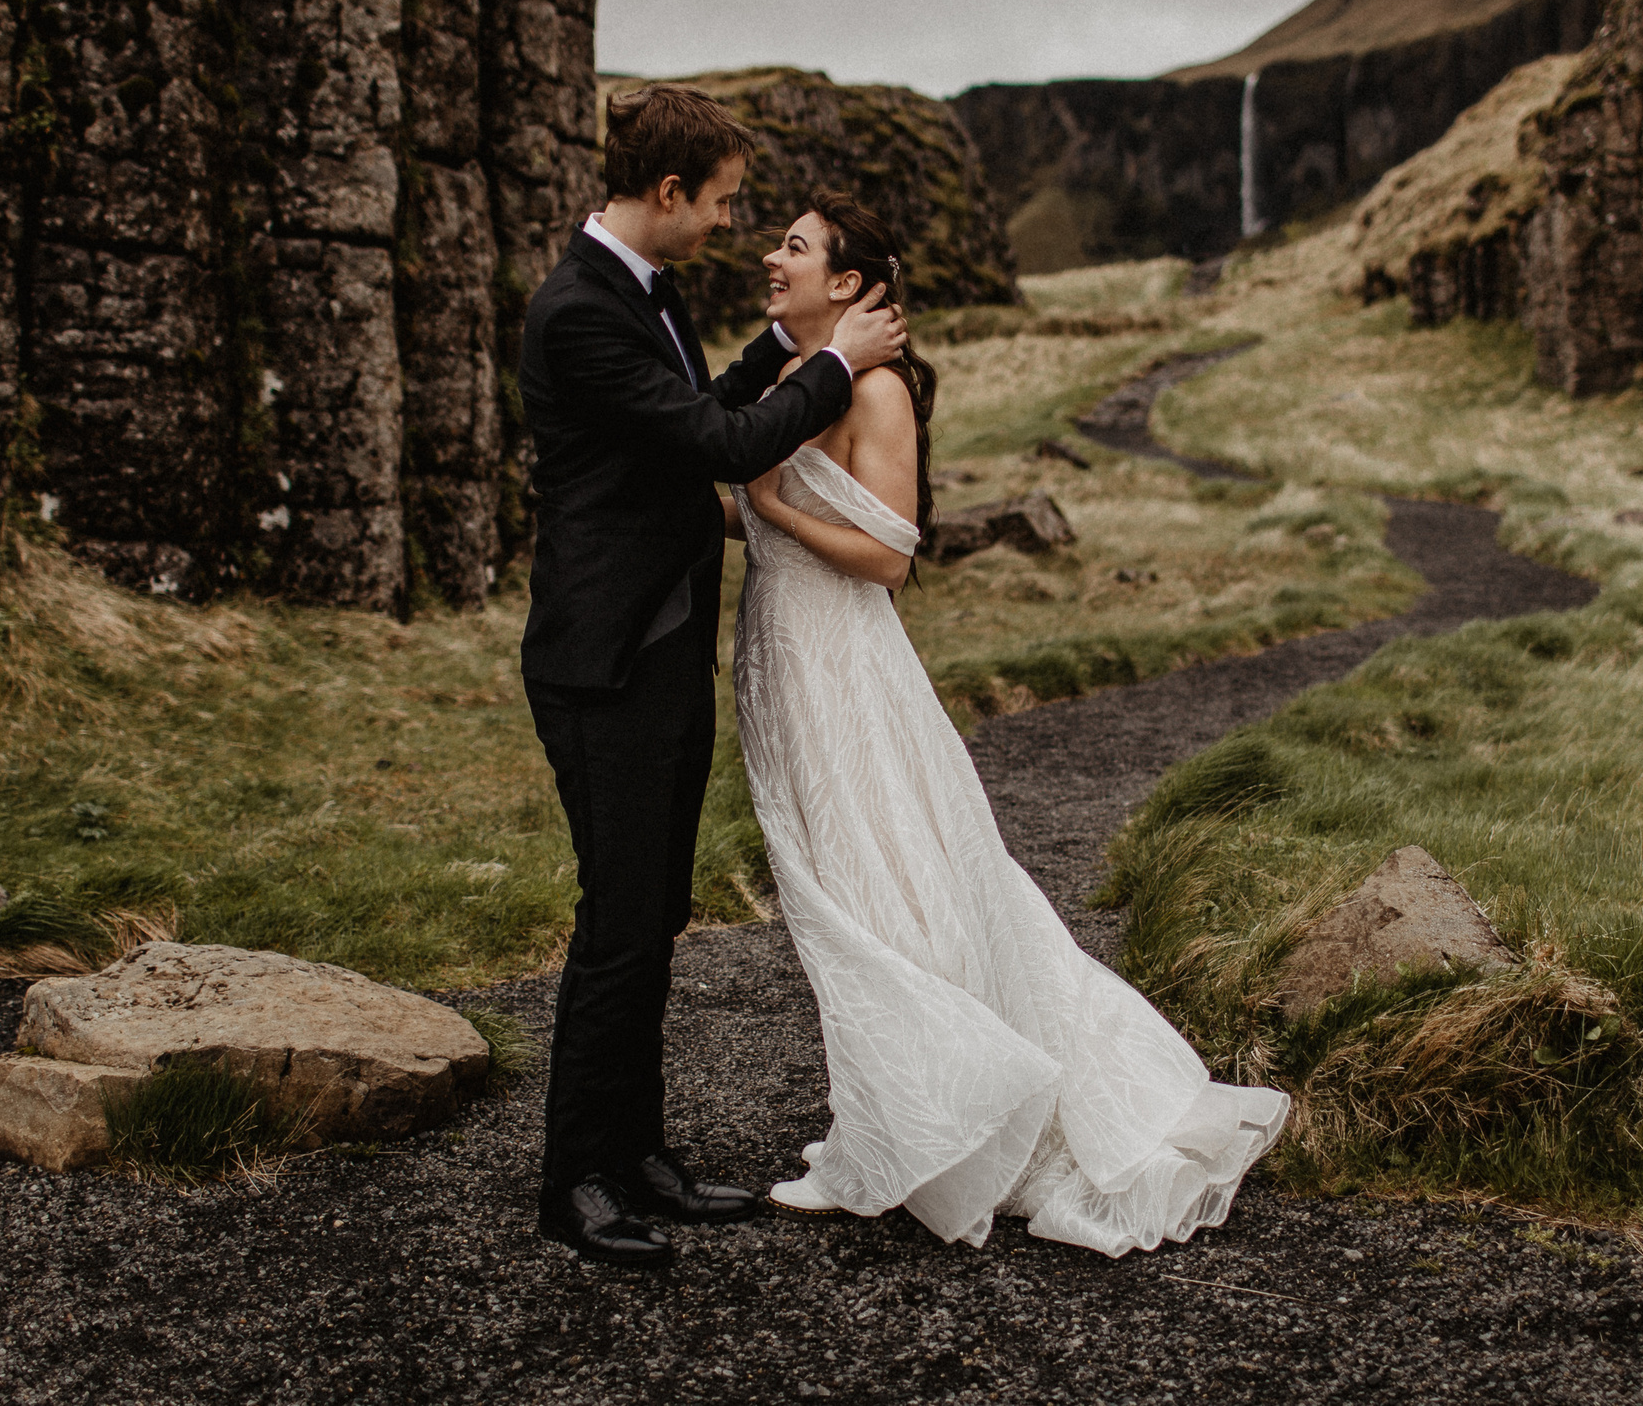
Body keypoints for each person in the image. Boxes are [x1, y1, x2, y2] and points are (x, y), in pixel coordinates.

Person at [726, 193, 1289, 1257]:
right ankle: (891, 1116)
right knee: (847, 881)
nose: (771, 257)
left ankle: (920, 1132)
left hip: (842, 662)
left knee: (873, 888)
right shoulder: (804, 376)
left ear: (847, 283)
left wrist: (766, 508)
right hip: (790, 657)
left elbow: (891, 555)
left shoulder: (875, 389)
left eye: (793, 248)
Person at [518, 87, 906, 1269]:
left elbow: (702, 406)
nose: (733, 226)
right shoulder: (579, 311)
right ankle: (577, 1179)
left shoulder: (645, 293)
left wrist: (785, 354)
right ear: (670, 192)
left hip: (663, 648)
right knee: (620, 923)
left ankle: (641, 1159)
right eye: (726, 202)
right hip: (608, 660)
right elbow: (725, 448)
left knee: (656, 916)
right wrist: (833, 363)